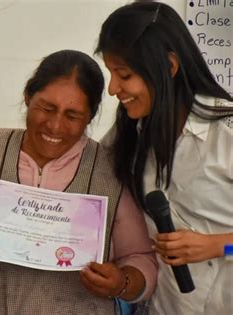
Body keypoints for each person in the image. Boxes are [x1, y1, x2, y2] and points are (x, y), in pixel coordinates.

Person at [0, 50, 158, 314]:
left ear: (90, 117)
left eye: (72, 116)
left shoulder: (111, 172)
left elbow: (142, 259)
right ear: (28, 96)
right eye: (46, 108)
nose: (55, 126)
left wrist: (122, 283)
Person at [95, 2, 233, 314]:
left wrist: (219, 244)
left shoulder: (226, 132)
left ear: (170, 66)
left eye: (124, 74)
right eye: (110, 74)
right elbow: (83, 167)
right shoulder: (129, 133)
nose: (114, 88)